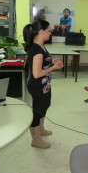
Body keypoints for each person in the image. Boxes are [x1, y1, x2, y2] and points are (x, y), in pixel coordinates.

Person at [23, 20, 64, 149]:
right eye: (49, 30)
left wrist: (52, 63)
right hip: (37, 85)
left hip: (44, 84)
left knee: (45, 105)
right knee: (38, 110)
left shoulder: (41, 46)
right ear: (42, 32)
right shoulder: (37, 50)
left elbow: (43, 64)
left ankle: (40, 129)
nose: (50, 32)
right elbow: (36, 73)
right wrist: (53, 68)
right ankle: (35, 139)